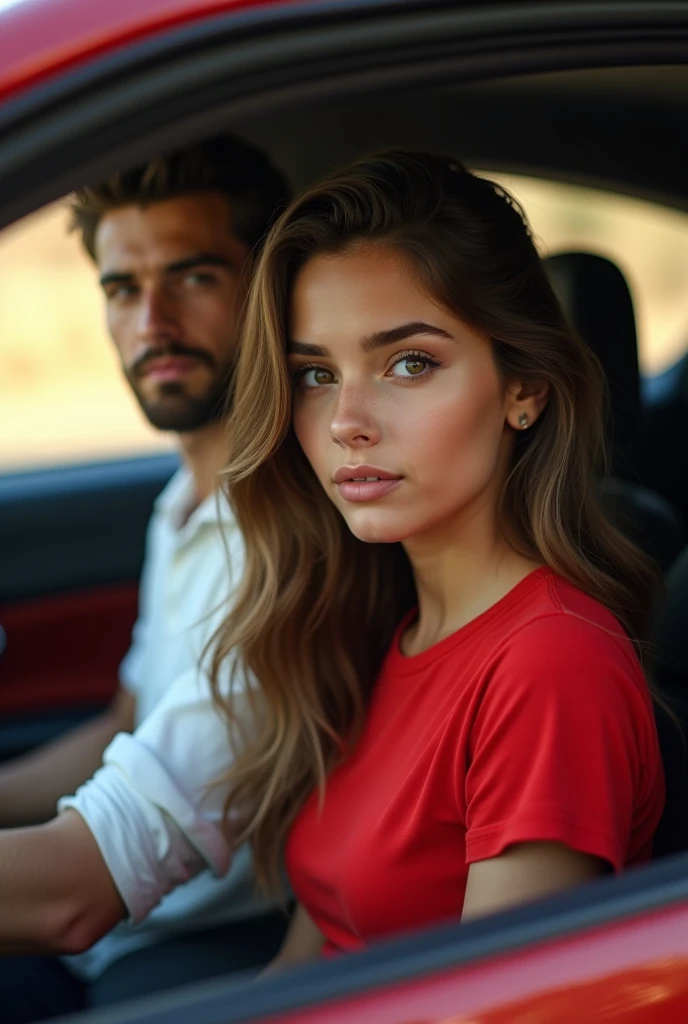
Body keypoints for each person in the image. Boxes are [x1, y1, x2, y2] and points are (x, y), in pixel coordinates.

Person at [209, 150, 665, 965]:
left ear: (523, 387)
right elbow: (307, 962)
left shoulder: (550, 666)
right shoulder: (382, 629)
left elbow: (507, 1005)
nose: (347, 420)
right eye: (315, 373)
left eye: (408, 363)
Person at [0, 135, 291, 1021]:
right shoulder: (184, 500)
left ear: (267, 289)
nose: (152, 323)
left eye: (193, 276)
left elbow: (75, 893)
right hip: (125, 930)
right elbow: (130, 719)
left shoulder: (291, 540)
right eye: (123, 288)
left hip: (198, 951)